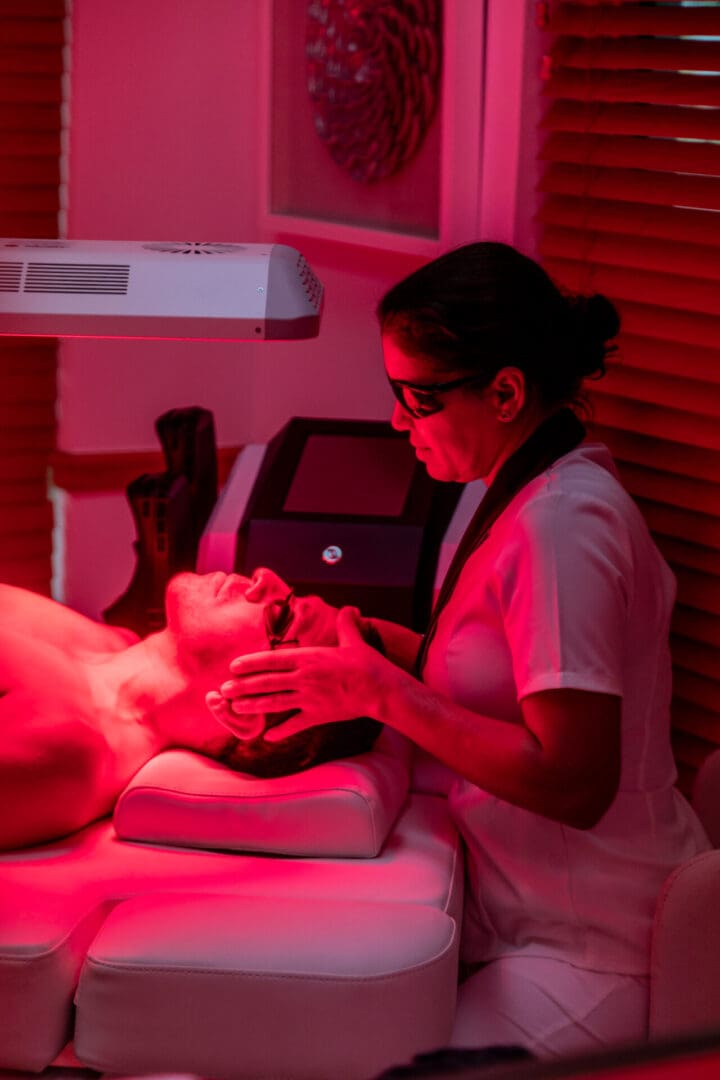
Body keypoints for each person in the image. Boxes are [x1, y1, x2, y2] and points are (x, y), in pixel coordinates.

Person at [213, 242, 711, 1058]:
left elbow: (576, 778)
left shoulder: (560, 528)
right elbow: (489, 672)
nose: (398, 422)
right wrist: (367, 644)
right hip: (524, 917)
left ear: (506, 391)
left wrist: (382, 694)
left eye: (417, 398)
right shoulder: (507, 496)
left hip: (600, 949)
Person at [0, 567, 381, 851]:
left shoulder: (66, 750)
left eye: (281, 615)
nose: (265, 577)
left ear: (248, 709)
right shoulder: (109, 644)